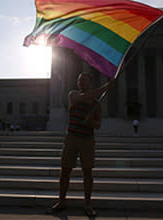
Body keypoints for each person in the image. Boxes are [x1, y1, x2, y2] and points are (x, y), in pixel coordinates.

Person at [46, 73, 115, 217]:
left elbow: (98, 125)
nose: (81, 82)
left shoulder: (97, 104)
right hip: (71, 137)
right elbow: (82, 98)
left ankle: (87, 204)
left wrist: (91, 121)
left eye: (84, 80)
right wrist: (106, 87)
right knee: (65, 171)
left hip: (87, 139)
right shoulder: (73, 95)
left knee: (87, 173)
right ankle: (62, 201)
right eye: (79, 80)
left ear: (90, 82)